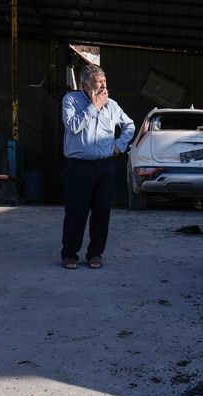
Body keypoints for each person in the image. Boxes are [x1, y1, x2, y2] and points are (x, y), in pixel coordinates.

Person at [60, 64, 135, 269]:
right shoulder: (71, 100)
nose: (103, 85)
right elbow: (73, 126)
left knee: (102, 212)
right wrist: (94, 106)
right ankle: (69, 255)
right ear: (85, 84)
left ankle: (95, 254)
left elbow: (130, 125)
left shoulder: (112, 105)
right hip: (79, 167)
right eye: (98, 81)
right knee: (76, 211)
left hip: (105, 167)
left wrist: (119, 146)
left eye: (104, 80)